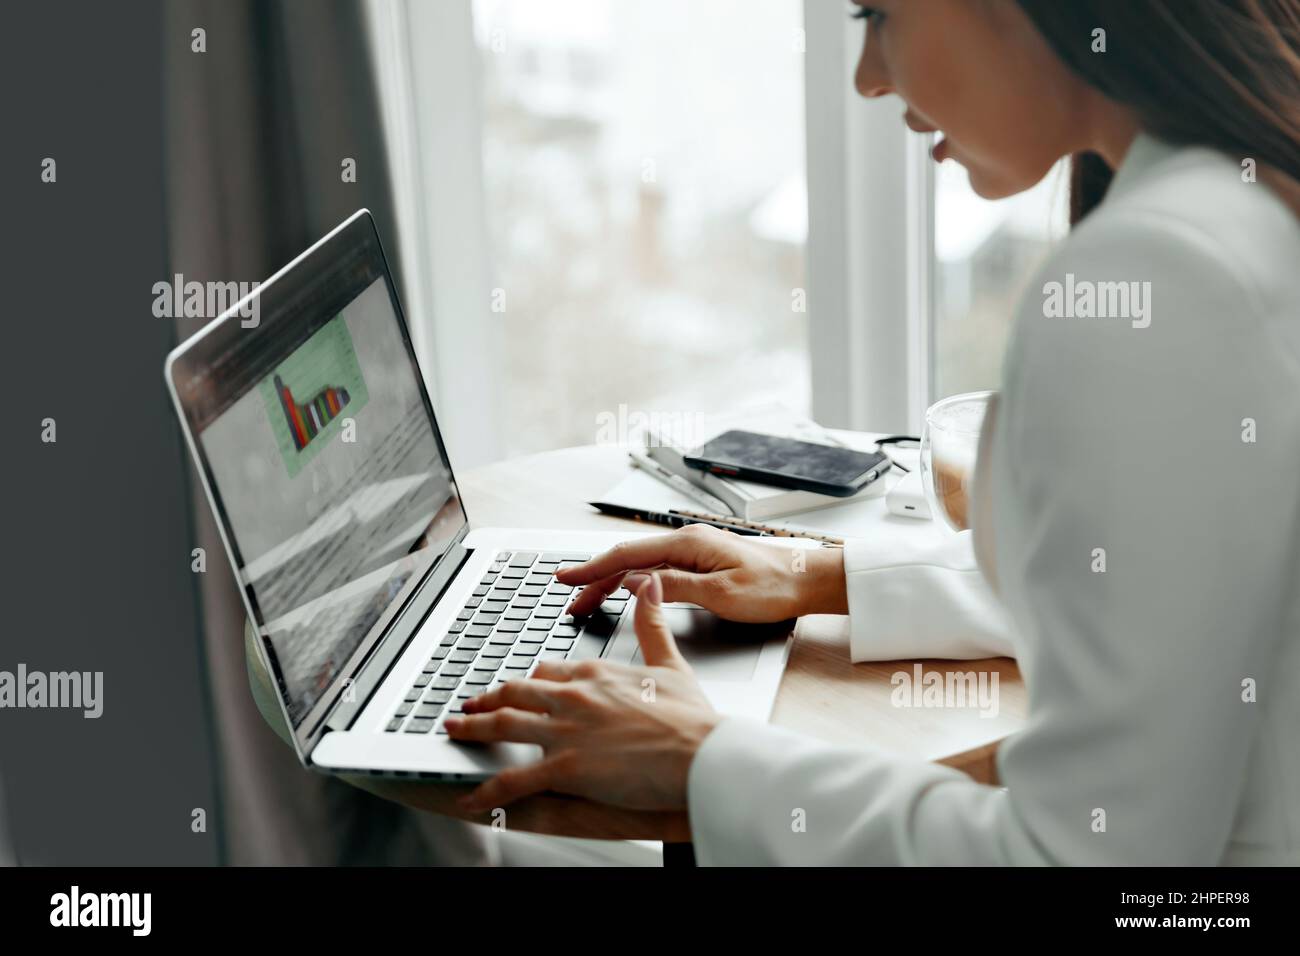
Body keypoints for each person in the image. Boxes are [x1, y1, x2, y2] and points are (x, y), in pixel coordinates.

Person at [445, 0, 1300, 865]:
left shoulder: (1155, 278)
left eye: (877, 14)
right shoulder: (1249, 201)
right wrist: (816, 576)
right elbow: (1172, 584)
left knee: (481, 843)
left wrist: (701, 763)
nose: (867, 76)